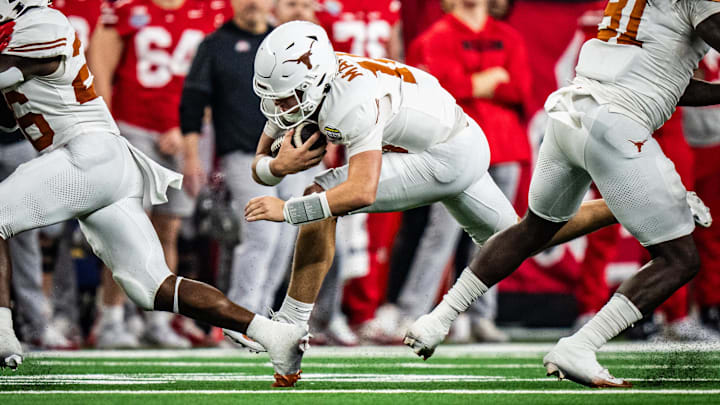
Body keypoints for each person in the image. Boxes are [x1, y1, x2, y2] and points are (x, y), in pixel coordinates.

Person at [242, 20, 629, 384]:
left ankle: (290, 329)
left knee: (319, 195)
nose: (281, 108)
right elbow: (259, 167)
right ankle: (627, 203)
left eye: (289, 97)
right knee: (521, 238)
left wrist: (287, 210)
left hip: (445, 156)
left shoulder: (350, 100)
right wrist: (277, 166)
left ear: (315, 80)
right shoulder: (307, 81)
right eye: (275, 97)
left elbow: (361, 191)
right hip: (459, 138)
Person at [407, 0, 720, 388]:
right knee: (680, 259)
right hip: (615, 124)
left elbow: (667, 82)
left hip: (572, 113)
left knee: (533, 230)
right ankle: (582, 345)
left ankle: (436, 319)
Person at [0, 1, 306, 385]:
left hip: (84, 155)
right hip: (101, 162)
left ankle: (2, 335)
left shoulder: (40, 24)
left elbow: (14, 69)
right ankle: (274, 334)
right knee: (154, 287)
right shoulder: (22, 30)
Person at [88, 0, 229, 348]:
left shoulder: (211, 9)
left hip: (183, 133)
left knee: (168, 230)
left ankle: (158, 320)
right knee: (126, 228)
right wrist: (108, 128)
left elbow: (220, 78)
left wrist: (187, 127)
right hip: (131, 127)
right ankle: (111, 318)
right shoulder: (125, 6)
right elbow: (101, 66)